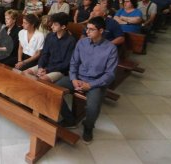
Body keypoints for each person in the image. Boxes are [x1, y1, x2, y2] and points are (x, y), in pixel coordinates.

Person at [56, 16, 118, 144]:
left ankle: (88, 127)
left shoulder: (110, 49)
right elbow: (73, 63)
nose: (87, 32)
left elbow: (110, 74)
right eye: (87, 29)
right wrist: (73, 79)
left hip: (96, 83)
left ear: (101, 31)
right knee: (55, 90)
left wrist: (90, 85)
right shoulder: (82, 43)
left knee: (93, 107)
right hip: (78, 78)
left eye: (91, 29)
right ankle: (69, 120)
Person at [23, 13, 76, 83]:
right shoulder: (50, 36)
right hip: (45, 66)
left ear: (63, 26)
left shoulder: (71, 41)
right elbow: (44, 54)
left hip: (59, 70)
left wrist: (47, 70)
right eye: (52, 24)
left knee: (41, 80)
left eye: (55, 25)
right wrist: (40, 67)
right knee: (25, 73)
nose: (52, 27)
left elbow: (66, 64)